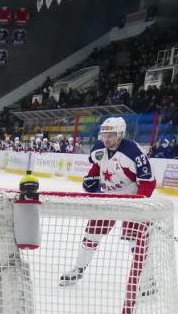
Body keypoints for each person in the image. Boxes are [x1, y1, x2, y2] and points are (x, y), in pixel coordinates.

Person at [59, 117, 155, 287]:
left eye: (110, 135)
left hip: (131, 200)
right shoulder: (99, 150)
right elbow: (96, 168)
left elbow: (148, 182)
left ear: (120, 134)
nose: (106, 139)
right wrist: (90, 179)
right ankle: (78, 270)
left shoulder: (133, 152)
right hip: (108, 199)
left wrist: (139, 203)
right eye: (104, 135)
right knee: (91, 234)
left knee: (136, 240)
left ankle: (148, 281)